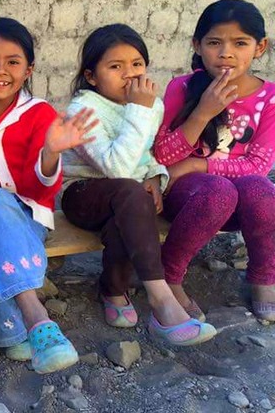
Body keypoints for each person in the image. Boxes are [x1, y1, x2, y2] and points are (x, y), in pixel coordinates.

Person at [62, 23, 217, 346]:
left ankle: (112, 289)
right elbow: (116, 167)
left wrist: (155, 177)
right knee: (131, 192)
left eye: (136, 64)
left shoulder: (151, 106)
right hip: (83, 194)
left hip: (127, 197)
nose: (129, 75)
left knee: (131, 208)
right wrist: (138, 110)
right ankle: (162, 300)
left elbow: (148, 154)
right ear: (92, 76)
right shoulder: (83, 109)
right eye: (115, 67)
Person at [0, 18, 89, 373]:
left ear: (28, 69)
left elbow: (41, 189)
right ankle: (36, 318)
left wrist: (51, 154)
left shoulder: (39, 113)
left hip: (28, 215)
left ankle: (13, 328)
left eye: (13, 62)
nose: (0, 70)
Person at [154, 0, 275, 323]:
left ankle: (264, 276)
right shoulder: (182, 87)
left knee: (263, 189)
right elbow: (162, 156)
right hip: (191, 200)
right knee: (218, 191)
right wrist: (202, 113)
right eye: (214, 43)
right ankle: (169, 276)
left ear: (260, 47)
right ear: (197, 45)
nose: (226, 53)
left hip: (240, 203)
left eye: (240, 43)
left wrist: (198, 164)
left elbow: (258, 166)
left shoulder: (269, 99)